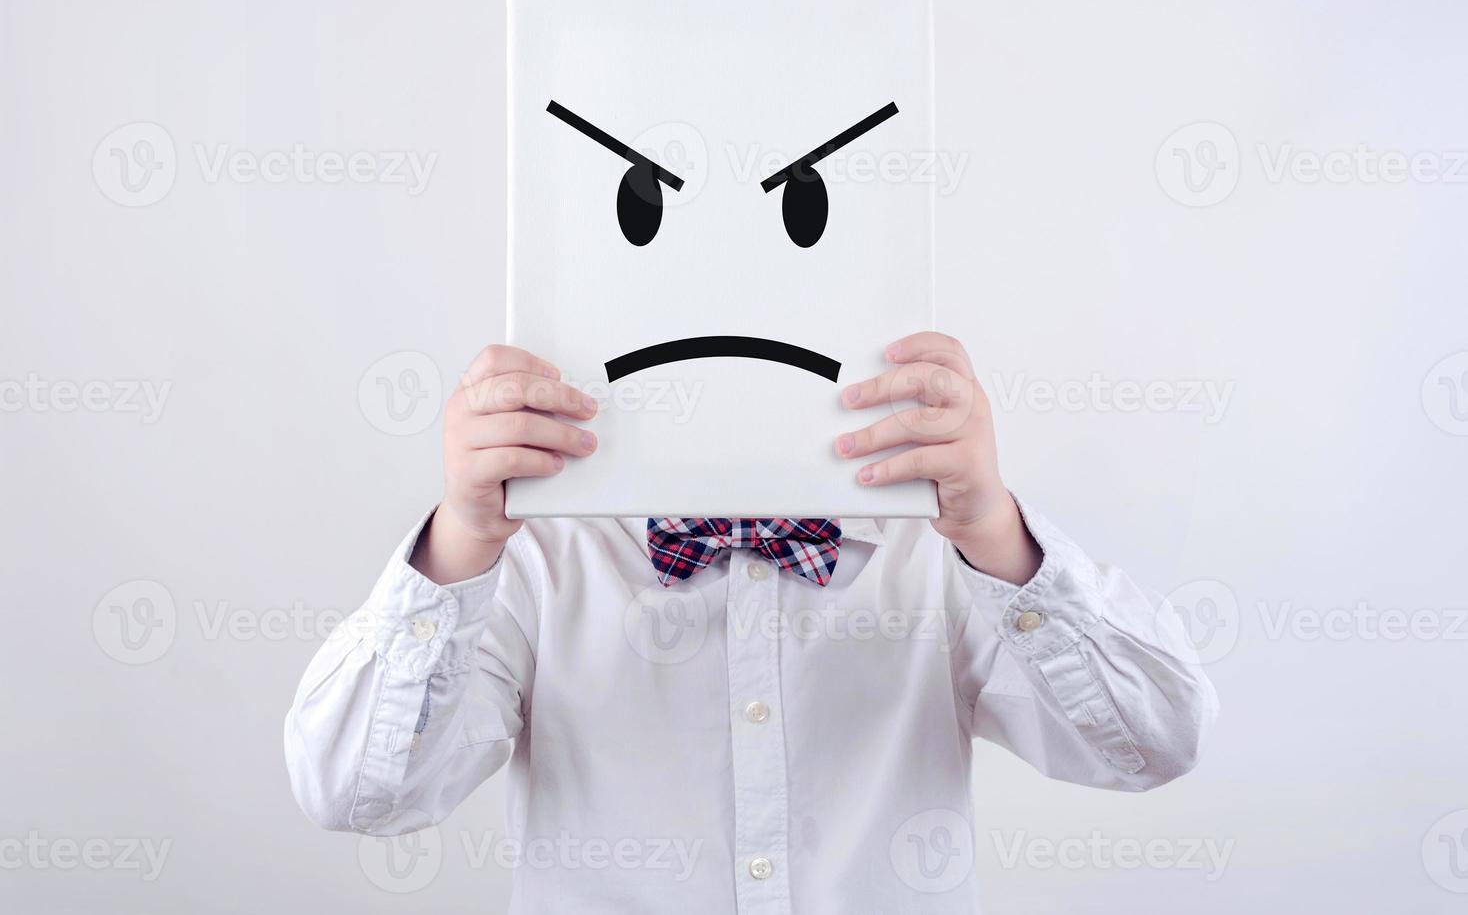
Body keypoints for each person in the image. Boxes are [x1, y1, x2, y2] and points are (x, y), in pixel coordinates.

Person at [284, 331, 1217, 913]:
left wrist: (996, 533)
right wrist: (457, 543)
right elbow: (357, 794)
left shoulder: (936, 550)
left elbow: (1156, 743)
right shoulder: (535, 557)